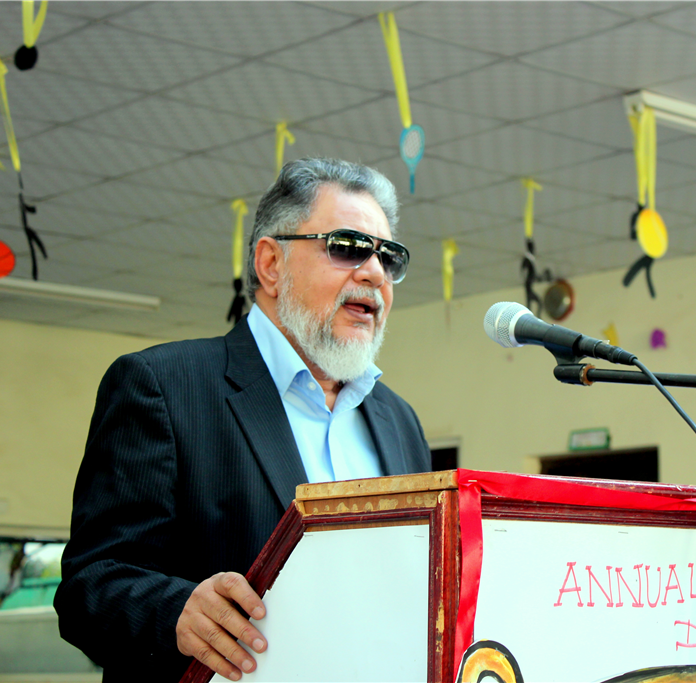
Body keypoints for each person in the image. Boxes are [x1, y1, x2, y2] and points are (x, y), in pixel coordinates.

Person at [54, 158, 431, 682]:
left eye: (389, 258)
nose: (374, 273)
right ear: (271, 264)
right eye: (347, 248)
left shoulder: (397, 420)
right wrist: (178, 611)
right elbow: (88, 588)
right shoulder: (163, 386)